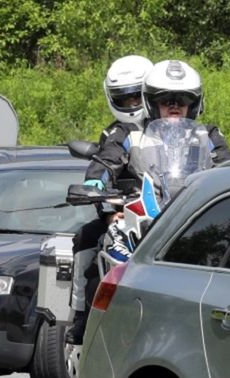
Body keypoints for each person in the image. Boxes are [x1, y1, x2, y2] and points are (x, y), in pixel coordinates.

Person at [69, 54, 155, 347]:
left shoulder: (189, 131)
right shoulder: (117, 133)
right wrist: (100, 198)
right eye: (125, 98)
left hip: (179, 213)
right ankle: (81, 314)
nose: (131, 104)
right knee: (86, 237)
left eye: (136, 97)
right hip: (129, 213)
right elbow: (105, 164)